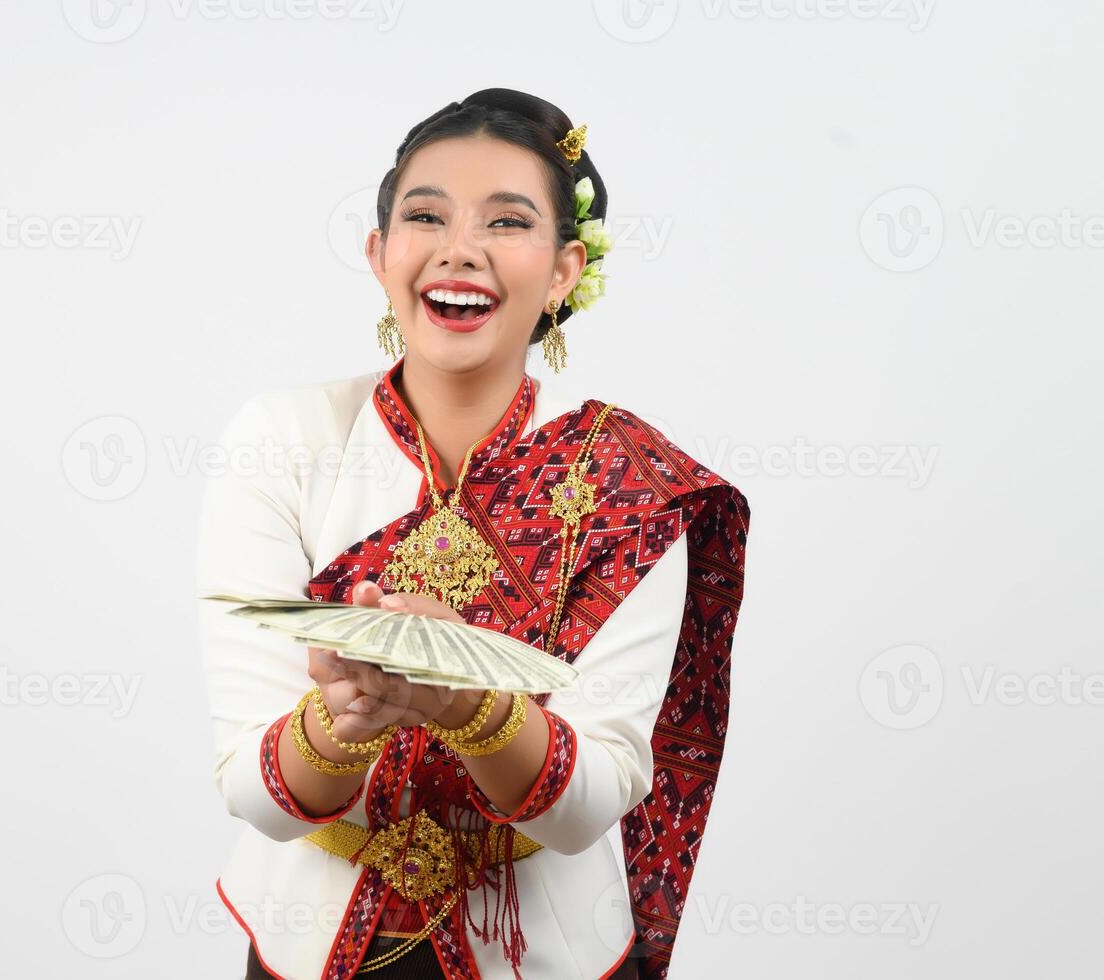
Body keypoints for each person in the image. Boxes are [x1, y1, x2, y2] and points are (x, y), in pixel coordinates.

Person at [196, 89, 752, 980]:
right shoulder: (283, 440)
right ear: (380, 254)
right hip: (304, 943)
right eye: (425, 215)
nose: (459, 248)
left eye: (506, 221)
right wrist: (345, 717)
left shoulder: (628, 479)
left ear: (565, 269)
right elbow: (250, 793)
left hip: (547, 955)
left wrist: (466, 703)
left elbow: (588, 806)